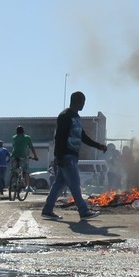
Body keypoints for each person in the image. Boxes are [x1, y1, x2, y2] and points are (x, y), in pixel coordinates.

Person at [42, 91, 107, 221]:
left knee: (59, 184)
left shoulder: (76, 117)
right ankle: (83, 211)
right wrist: (58, 157)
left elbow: (82, 137)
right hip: (66, 156)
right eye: (82, 102)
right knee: (75, 183)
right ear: (76, 101)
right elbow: (59, 137)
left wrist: (98, 145)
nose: (83, 105)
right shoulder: (65, 116)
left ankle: (47, 210)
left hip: (72, 155)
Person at [10, 125, 38, 190]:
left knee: (13, 170)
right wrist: (35, 157)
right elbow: (32, 148)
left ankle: (13, 183)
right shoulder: (27, 137)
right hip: (23, 156)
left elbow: (14, 146)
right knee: (25, 171)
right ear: (23, 131)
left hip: (14, 156)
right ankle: (27, 186)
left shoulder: (14, 137)